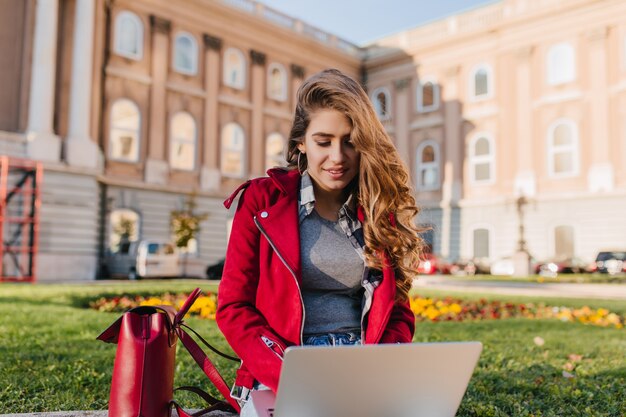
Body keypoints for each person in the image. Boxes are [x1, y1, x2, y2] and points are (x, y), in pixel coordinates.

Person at [216, 68, 425, 415]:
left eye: (351, 141)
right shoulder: (260, 201)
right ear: (301, 142)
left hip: (360, 365)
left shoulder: (377, 209)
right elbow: (233, 308)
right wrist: (294, 378)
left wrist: (381, 368)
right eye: (323, 141)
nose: (338, 157)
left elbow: (399, 312)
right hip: (284, 367)